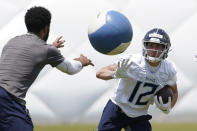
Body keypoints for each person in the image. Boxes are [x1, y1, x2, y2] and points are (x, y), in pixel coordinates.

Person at [0, 6, 94, 131]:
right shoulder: (47, 50)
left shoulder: (12, 41)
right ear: (46, 28)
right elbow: (71, 69)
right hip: (8, 101)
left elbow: (30, 52)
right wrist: (82, 62)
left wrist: (50, 47)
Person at [96, 28, 178, 131]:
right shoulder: (132, 61)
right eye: (151, 45)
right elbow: (99, 73)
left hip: (139, 115)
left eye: (158, 46)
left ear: (165, 49)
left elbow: (174, 91)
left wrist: (168, 108)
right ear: (145, 46)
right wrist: (114, 74)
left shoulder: (168, 69)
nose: (154, 49)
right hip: (117, 108)